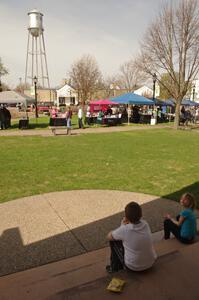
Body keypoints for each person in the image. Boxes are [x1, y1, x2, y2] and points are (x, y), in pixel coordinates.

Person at [106, 202, 157, 273]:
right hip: (151, 262)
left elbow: (109, 236)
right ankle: (116, 266)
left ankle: (114, 268)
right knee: (125, 240)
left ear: (126, 217)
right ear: (141, 215)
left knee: (113, 241)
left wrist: (122, 225)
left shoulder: (125, 229)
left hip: (133, 267)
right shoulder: (145, 224)